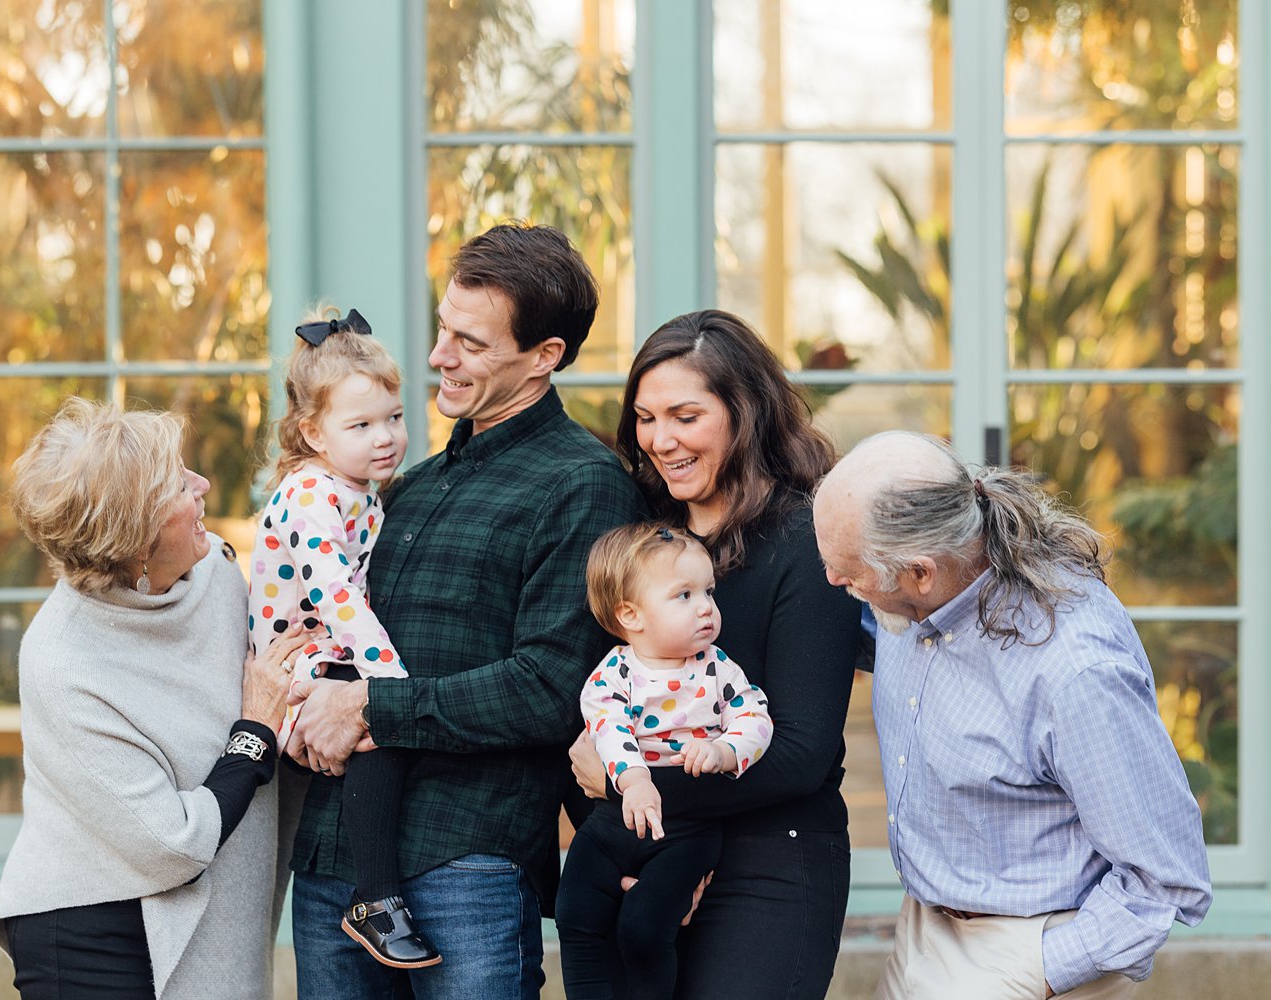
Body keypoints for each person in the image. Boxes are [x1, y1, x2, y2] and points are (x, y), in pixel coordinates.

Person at [283, 222, 647, 999]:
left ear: (545, 355)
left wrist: (373, 709)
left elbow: (550, 688)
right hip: (331, 856)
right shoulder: (402, 488)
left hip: (466, 862)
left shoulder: (584, 485)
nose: (439, 357)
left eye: (470, 343)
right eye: (443, 329)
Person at [811, 431, 1213, 999]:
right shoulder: (911, 599)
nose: (832, 583)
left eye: (848, 572)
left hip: (1029, 947)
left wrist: (1035, 972)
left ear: (920, 572)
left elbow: (1166, 881)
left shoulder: (1075, 671)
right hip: (923, 927)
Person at [570, 308, 863, 999]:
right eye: (645, 418)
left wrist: (628, 789)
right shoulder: (637, 533)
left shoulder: (808, 542)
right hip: (648, 846)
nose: (660, 440)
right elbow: (597, 699)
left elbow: (799, 754)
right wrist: (637, 845)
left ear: (746, 412)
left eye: (684, 416)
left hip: (773, 859)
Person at [0, 397, 311, 999]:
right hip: (91, 938)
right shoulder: (62, 663)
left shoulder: (215, 573)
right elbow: (172, 843)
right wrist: (256, 729)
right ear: (134, 539)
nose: (203, 484)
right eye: (178, 485)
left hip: (201, 908)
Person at [248, 304, 439, 969]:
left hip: (331, 657)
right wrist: (389, 681)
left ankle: (378, 892)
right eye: (360, 425)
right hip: (298, 666)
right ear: (314, 432)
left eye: (393, 418)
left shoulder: (358, 488)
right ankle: (375, 897)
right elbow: (335, 595)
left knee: (377, 729)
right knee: (379, 734)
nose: (385, 438)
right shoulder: (311, 494)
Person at [556, 523, 773, 1000]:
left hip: (686, 833)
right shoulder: (615, 672)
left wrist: (723, 750)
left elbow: (756, 717)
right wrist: (633, 780)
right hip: (614, 823)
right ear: (630, 615)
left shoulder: (717, 668)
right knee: (575, 916)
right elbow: (607, 726)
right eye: (684, 595)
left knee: (645, 927)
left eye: (708, 591)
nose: (706, 607)